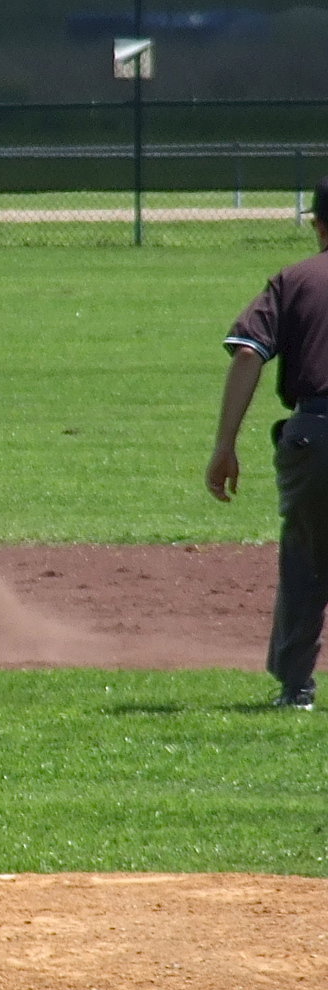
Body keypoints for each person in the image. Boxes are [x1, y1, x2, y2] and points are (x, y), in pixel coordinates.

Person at [206, 175, 328, 711]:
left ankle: (297, 688)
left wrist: (224, 446)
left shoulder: (295, 279)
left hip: (314, 437)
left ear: (318, 223)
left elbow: (248, 352)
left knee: (306, 560)